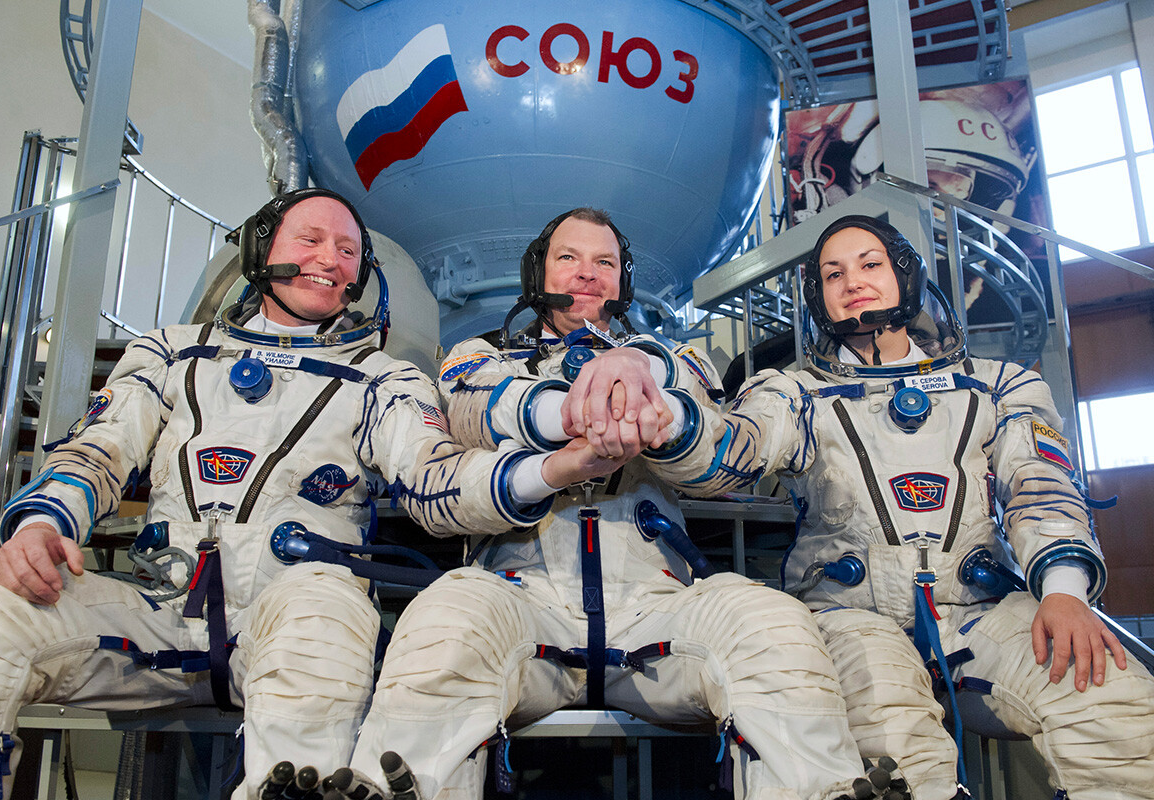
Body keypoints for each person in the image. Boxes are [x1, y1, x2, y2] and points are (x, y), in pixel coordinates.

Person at [0, 189, 550, 800]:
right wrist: (40, 524)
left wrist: (545, 472)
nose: (331, 258)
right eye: (311, 240)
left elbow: (436, 481)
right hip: (160, 609)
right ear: (259, 250)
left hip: (296, 617)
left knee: (321, 613)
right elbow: (98, 451)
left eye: (348, 250)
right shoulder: (172, 354)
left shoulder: (385, 378)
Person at [344, 208, 910, 800]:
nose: (587, 274)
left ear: (624, 280)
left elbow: (719, 455)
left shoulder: (679, 363)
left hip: (657, 609)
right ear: (538, 271)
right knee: (447, 619)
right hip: (519, 602)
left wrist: (644, 380)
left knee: (770, 623)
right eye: (569, 258)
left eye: (605, 262)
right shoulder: (476, 359)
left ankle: (824, 790)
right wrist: (567, 428)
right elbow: (471, 415)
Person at [670, 213, 1154, 799]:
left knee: (1117, 705)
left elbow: (1039, 485)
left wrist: (1063, 591)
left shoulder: (1001, 386)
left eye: (870, 264)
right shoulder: (793, 392)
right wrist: (671, 420)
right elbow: (733, 449)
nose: (853, 281)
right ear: (817, 299)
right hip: (848, 618)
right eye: (833, 274)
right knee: (898, 749)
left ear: (907, 276)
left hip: (982, 612)